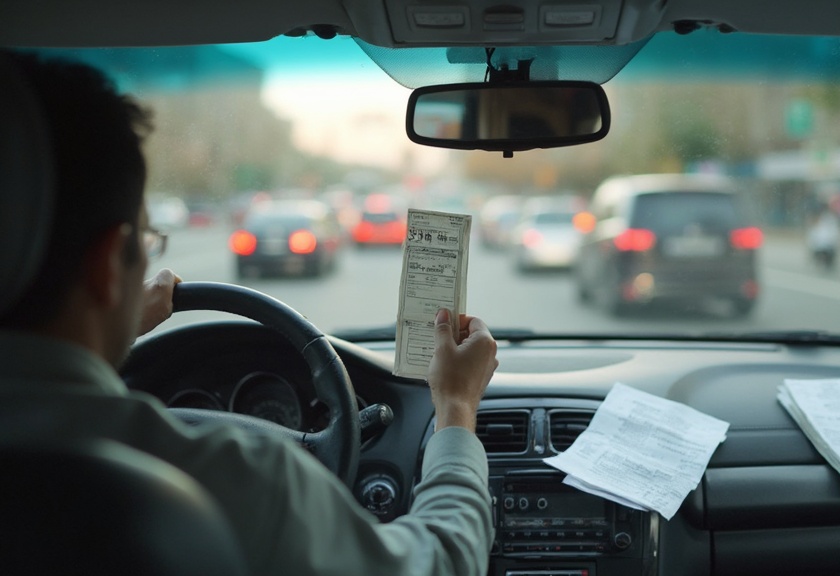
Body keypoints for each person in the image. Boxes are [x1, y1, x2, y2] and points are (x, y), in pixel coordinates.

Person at [0, 50, 499, 576]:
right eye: (147, 239)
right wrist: (457, 407)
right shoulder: (248, 484)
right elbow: (442, 561)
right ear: (107, 265)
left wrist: (109, 331)